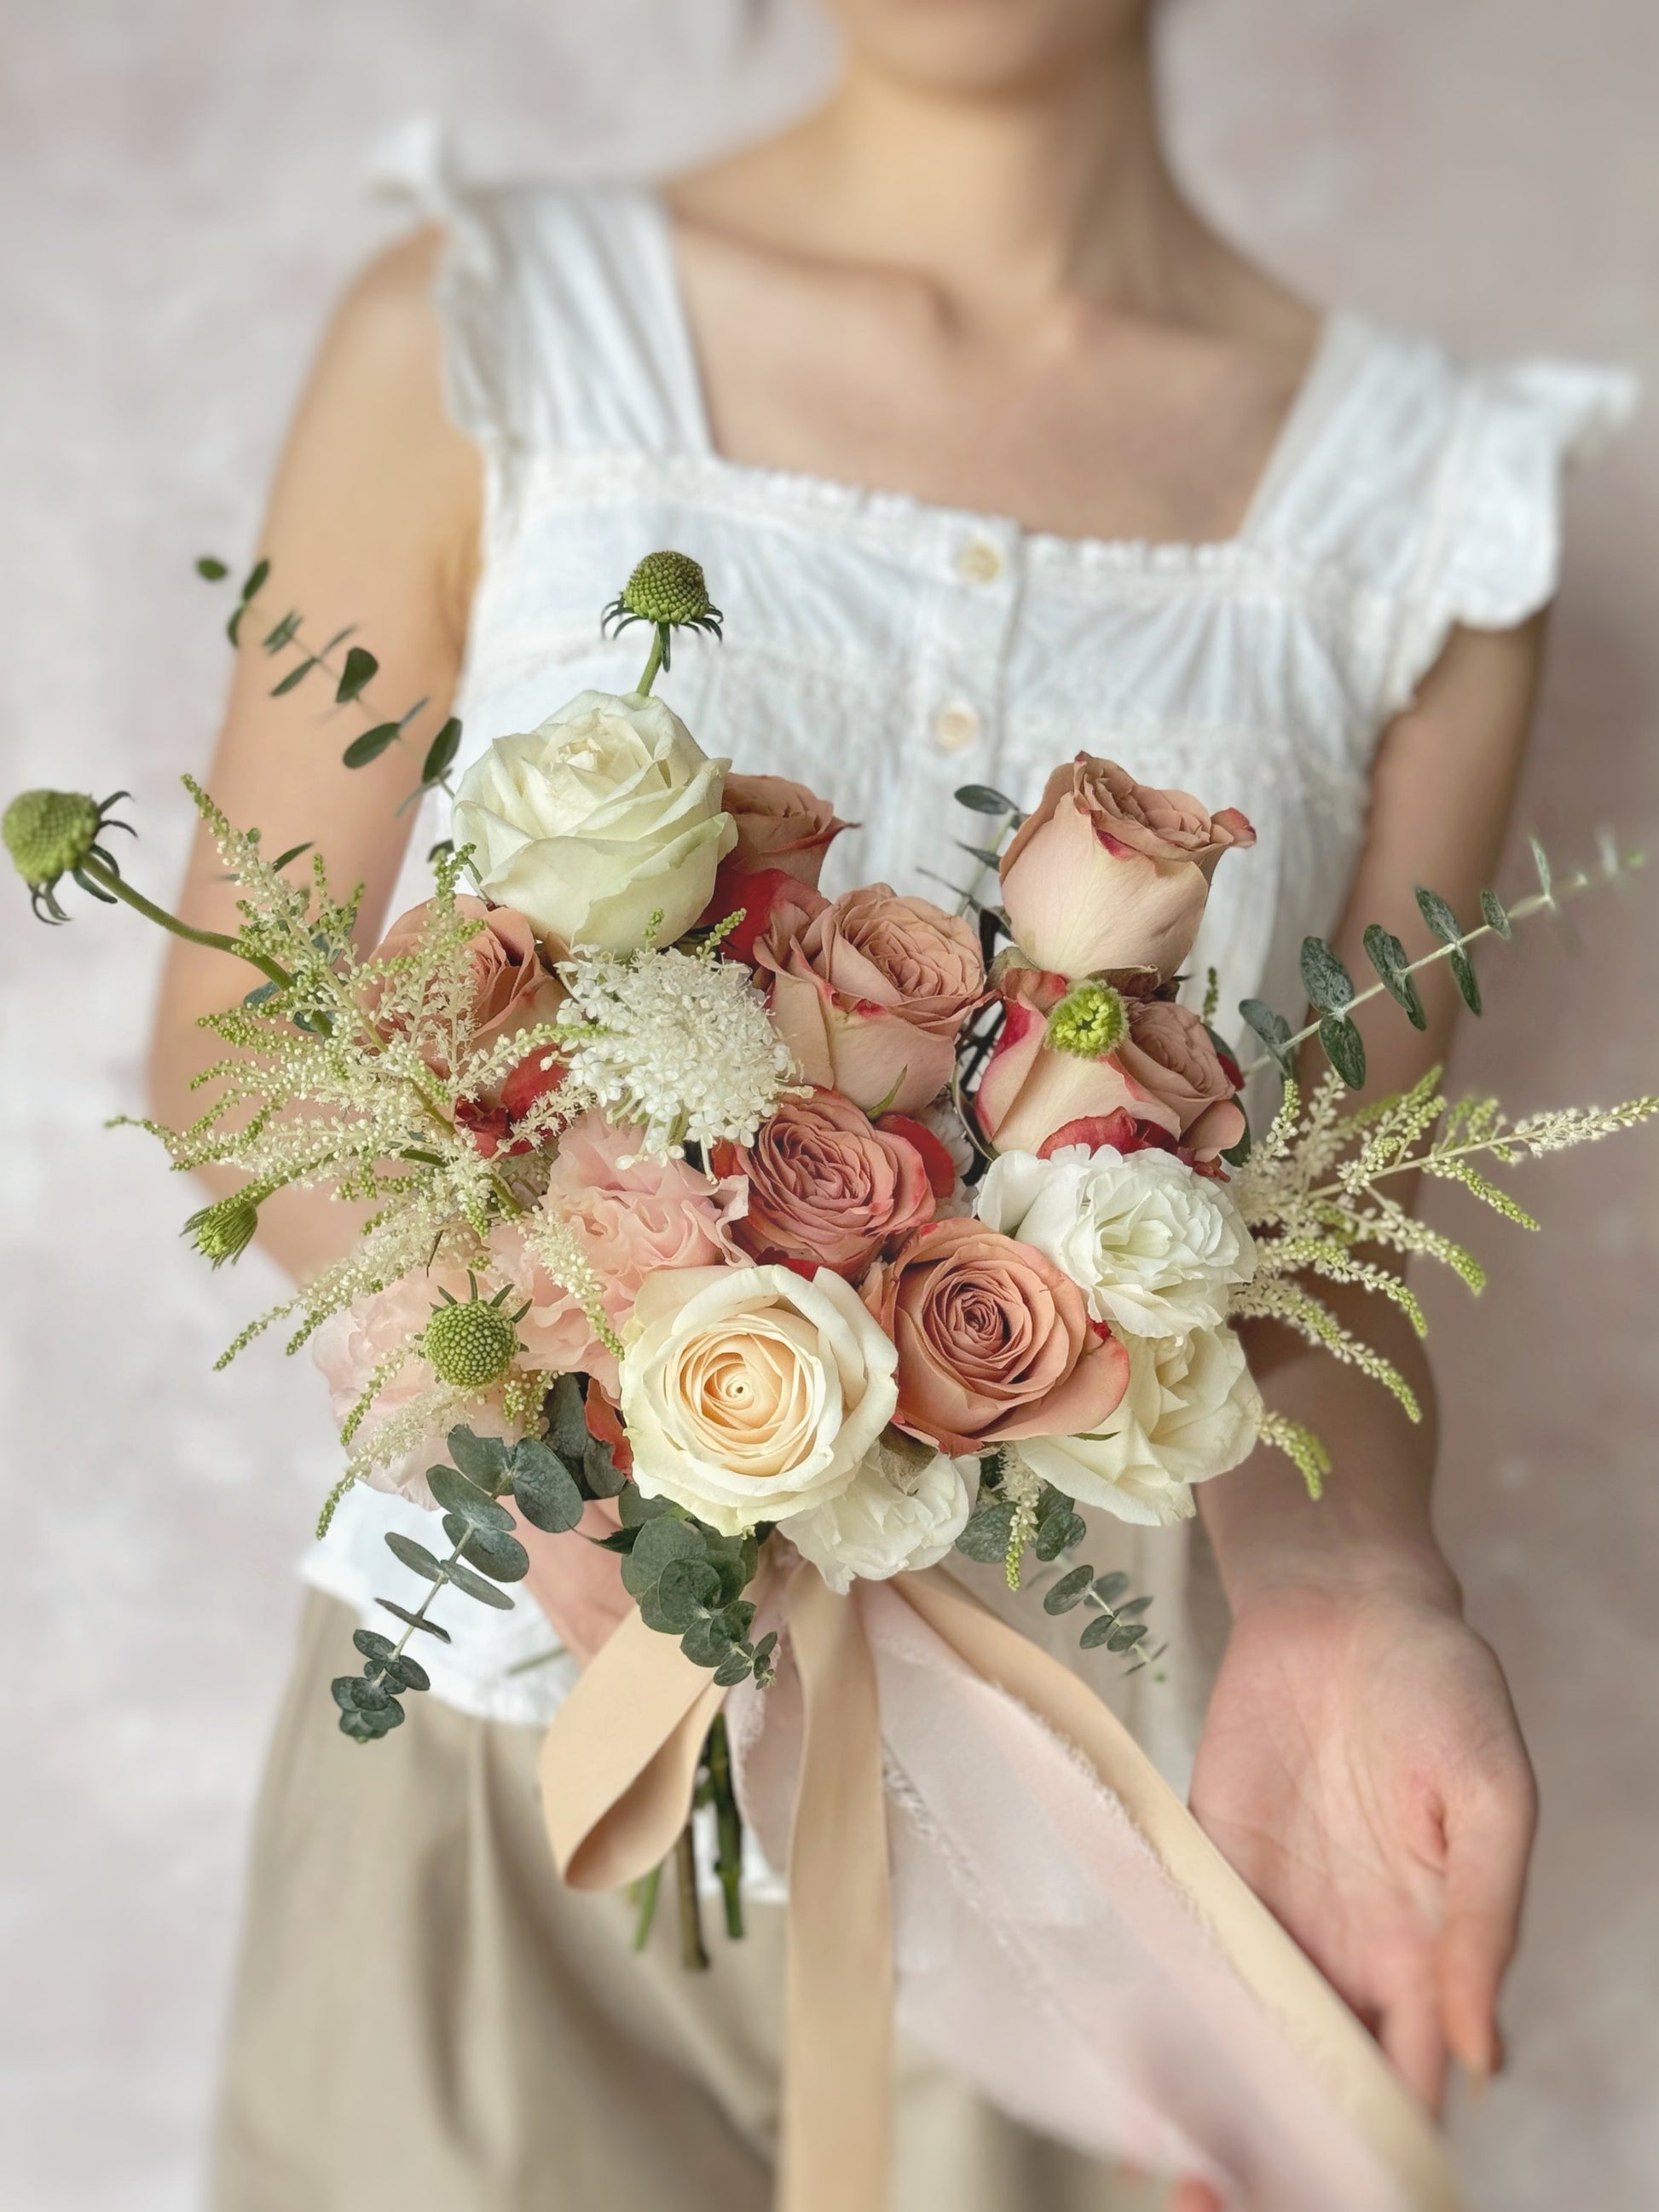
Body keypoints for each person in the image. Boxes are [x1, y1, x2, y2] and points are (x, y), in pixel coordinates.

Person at [149, 2, 1630, 2205]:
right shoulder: (487, 333)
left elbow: (1336, 1244)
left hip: (1070, 1824)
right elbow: (239, 1048)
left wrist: (1350, 1600)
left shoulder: (1423, 505)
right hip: (495, 1732)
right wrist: (504, 1436)